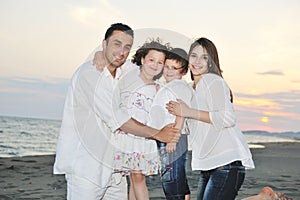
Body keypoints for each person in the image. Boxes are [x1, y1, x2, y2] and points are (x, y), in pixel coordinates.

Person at [53, 23, 180, 200]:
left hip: (115, 170)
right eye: (116, 43)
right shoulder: (89, 75)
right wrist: (158, 134)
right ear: (104, 44)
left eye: (127, 47)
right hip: (87, 169)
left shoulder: (123, 72)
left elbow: (152, 68)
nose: (122, 51)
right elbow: (118, 119)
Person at [166, 37, 255, 200]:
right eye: (194, 56)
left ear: (211, 62)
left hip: (226, 164)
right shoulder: (189, 88)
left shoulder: (213, 81)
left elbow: (227, 118)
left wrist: (187, 111)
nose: (197, 61)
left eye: (204, 57)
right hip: (208, 166)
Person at [113, 39, 169, 200]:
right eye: (151, 60)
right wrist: (98, 55)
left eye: (160, 62)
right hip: (127, 134)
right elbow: (114, 58)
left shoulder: (158, 87)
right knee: (133, 176)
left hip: (143, 138)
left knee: (138, 176)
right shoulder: (128, 73)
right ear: (143, 59)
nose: (155, 65)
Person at [149, 48, 192, 200]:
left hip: (173, 137)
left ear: (184, 71)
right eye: (167, 67)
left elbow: (181, 112)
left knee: (171, 180)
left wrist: (173, 138)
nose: (169, 71)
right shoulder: (170, 85)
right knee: (177, 178)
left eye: (174, 68)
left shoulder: (179, 86)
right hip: (171, 137)